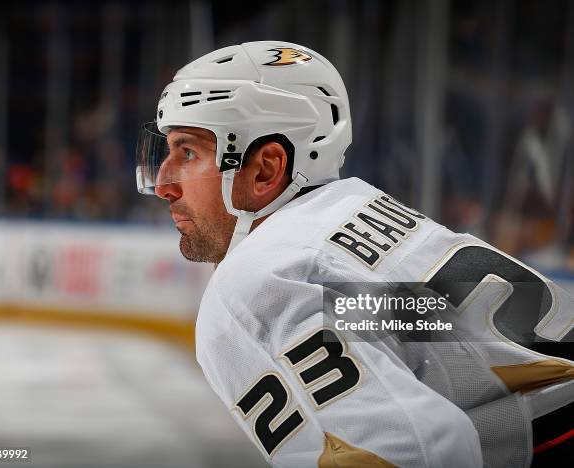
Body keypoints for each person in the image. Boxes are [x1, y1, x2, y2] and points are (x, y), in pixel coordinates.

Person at [136, 41, 573, 467]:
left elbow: (420, 451)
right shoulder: (359, 210)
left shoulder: (262, 276)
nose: (164, 185)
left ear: (266, 168)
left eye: (189, 153)